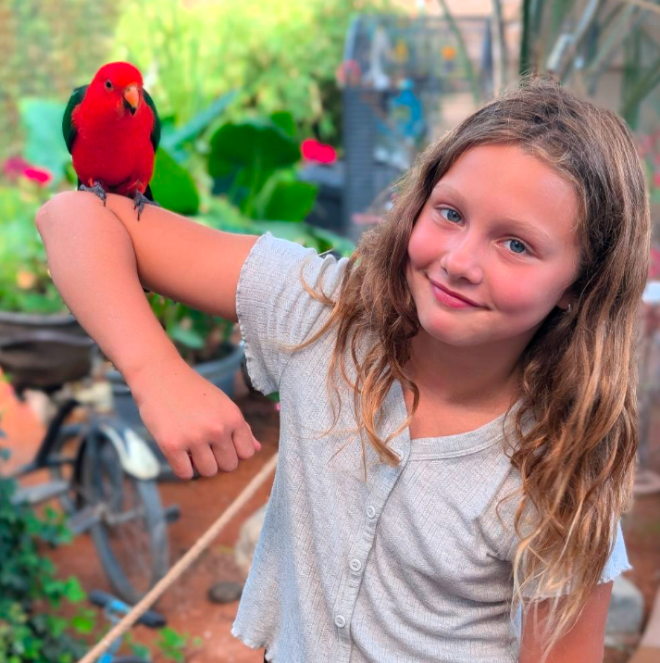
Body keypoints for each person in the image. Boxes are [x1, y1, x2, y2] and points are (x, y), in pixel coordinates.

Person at [35, 75, 649, 663]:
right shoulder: (322, 313)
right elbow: (71, 217)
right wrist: (156, 374)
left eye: (516, 245)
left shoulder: (560, 462)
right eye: (450, 214)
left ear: (582, 285)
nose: (459, 261)